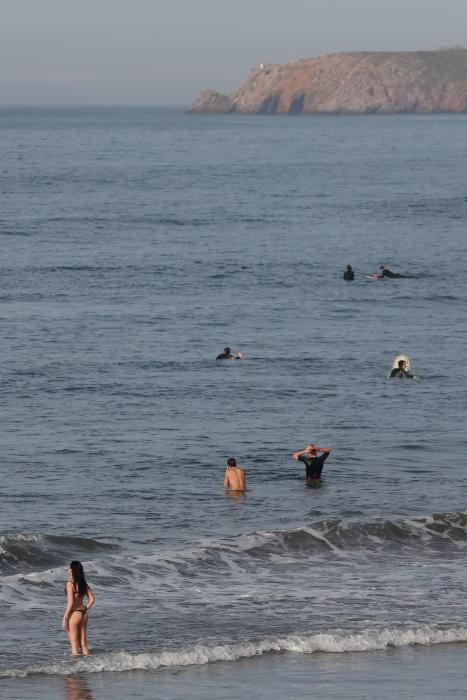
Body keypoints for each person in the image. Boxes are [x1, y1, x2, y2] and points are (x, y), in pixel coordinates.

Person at [62, 560, 95, 656]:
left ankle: (77, 669)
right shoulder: (83, 583)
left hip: (74, 614)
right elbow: (92, 599)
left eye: (69, 568)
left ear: (72, 570)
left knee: (74, 646)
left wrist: (65, 616)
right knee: (84, 644)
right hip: (83, 614)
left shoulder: (69, 584)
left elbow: (71, 602)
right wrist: (85, 609)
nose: (68, 570)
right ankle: (89, 666)